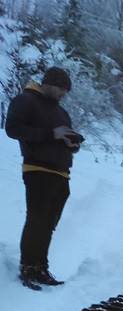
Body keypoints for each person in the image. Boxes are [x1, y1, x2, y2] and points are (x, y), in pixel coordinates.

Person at [5, 66, 81, 290]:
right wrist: (51, 134)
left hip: (61, 173)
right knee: (37, 220)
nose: (63, 94)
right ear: (48, 83)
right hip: (38, 169)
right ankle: (28, 267)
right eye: (60, 89)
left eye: (65, 92)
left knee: (48, 224)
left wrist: (72, 143)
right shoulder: (26, 100)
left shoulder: (61, 112)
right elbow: (13, 128)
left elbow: (62, 139)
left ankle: (41, 267)